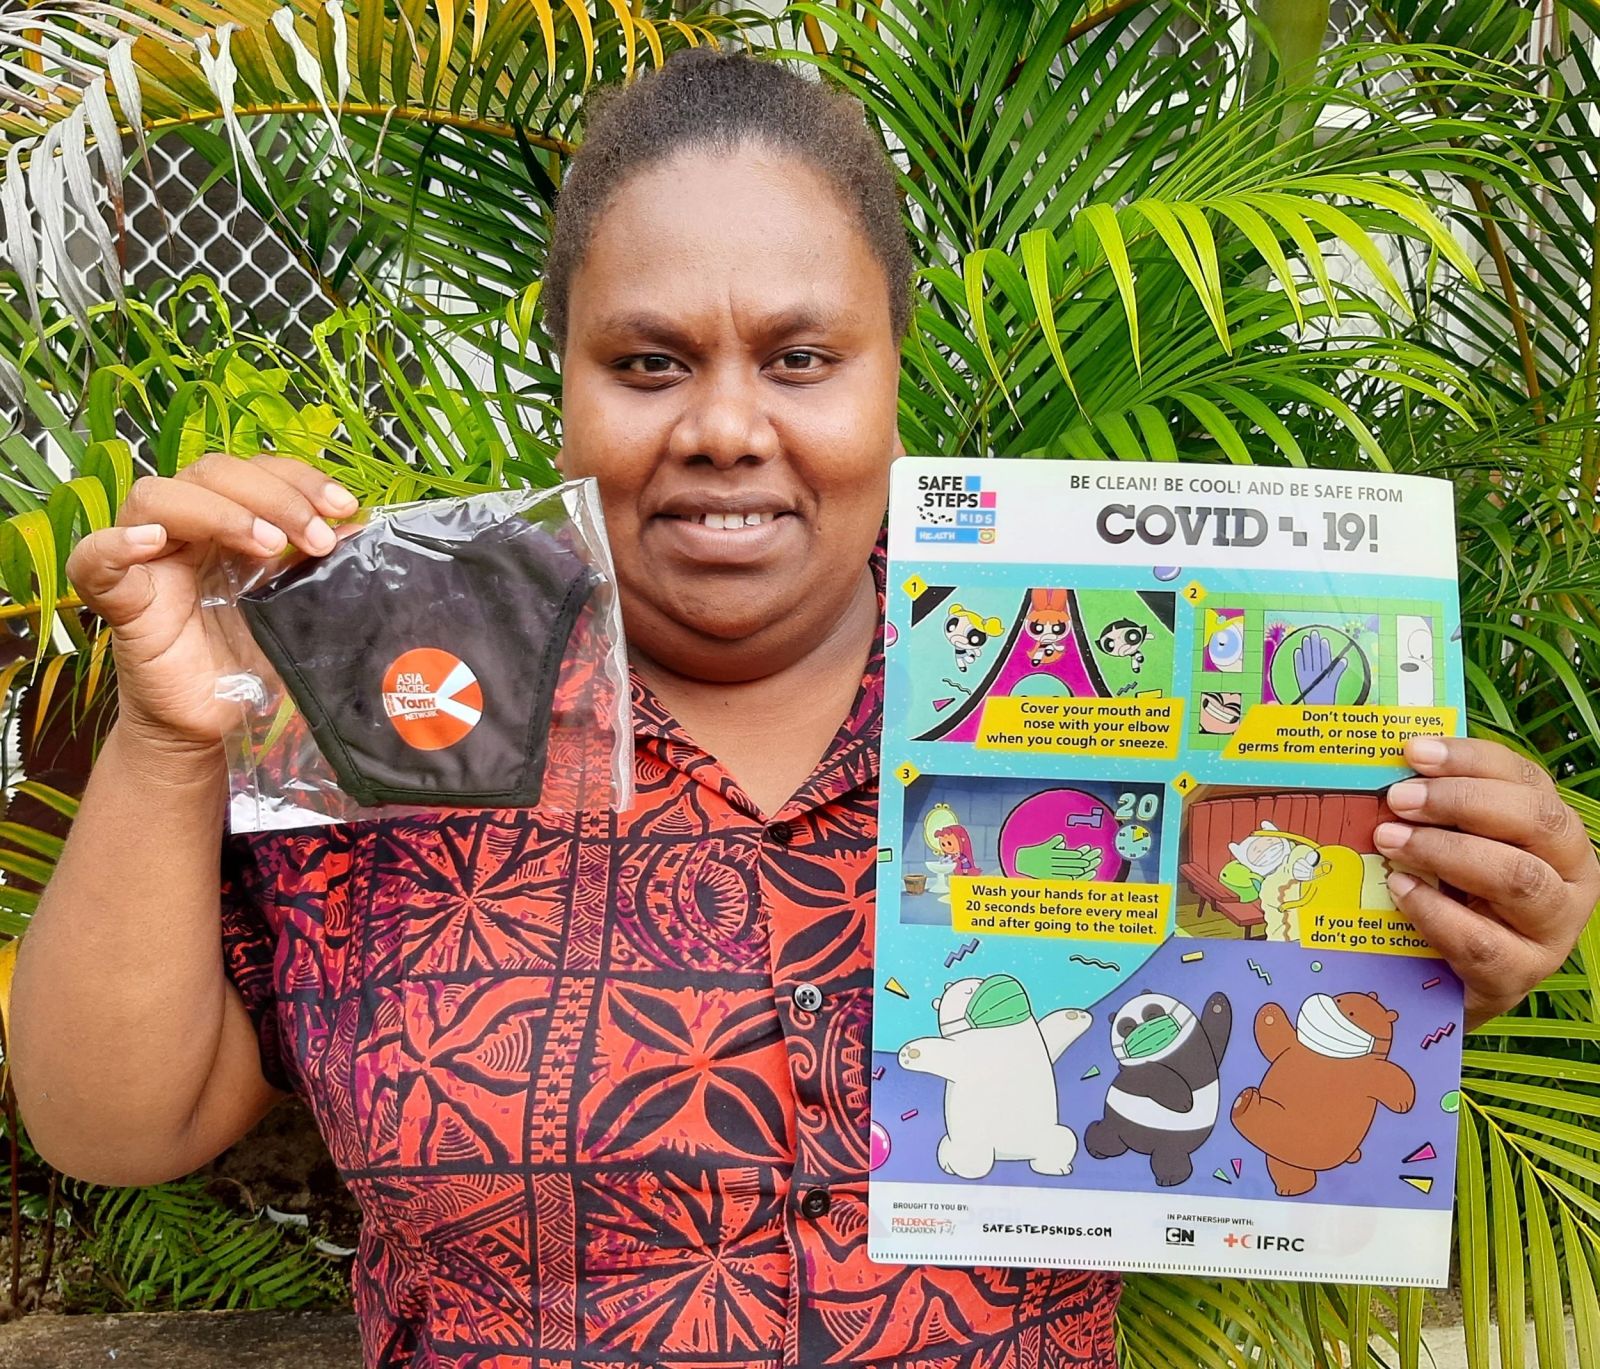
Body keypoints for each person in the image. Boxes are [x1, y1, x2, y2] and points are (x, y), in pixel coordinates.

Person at [9, 49, 1598, 1369]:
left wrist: (1465, 906)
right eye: (646, 362)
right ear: (562, 372)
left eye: (799, 356)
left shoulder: (1128, 698)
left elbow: (1301, 1017)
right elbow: (117, 1123)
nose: (721, 425)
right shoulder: (411, 696)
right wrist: (166, 731)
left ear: (892, 372)